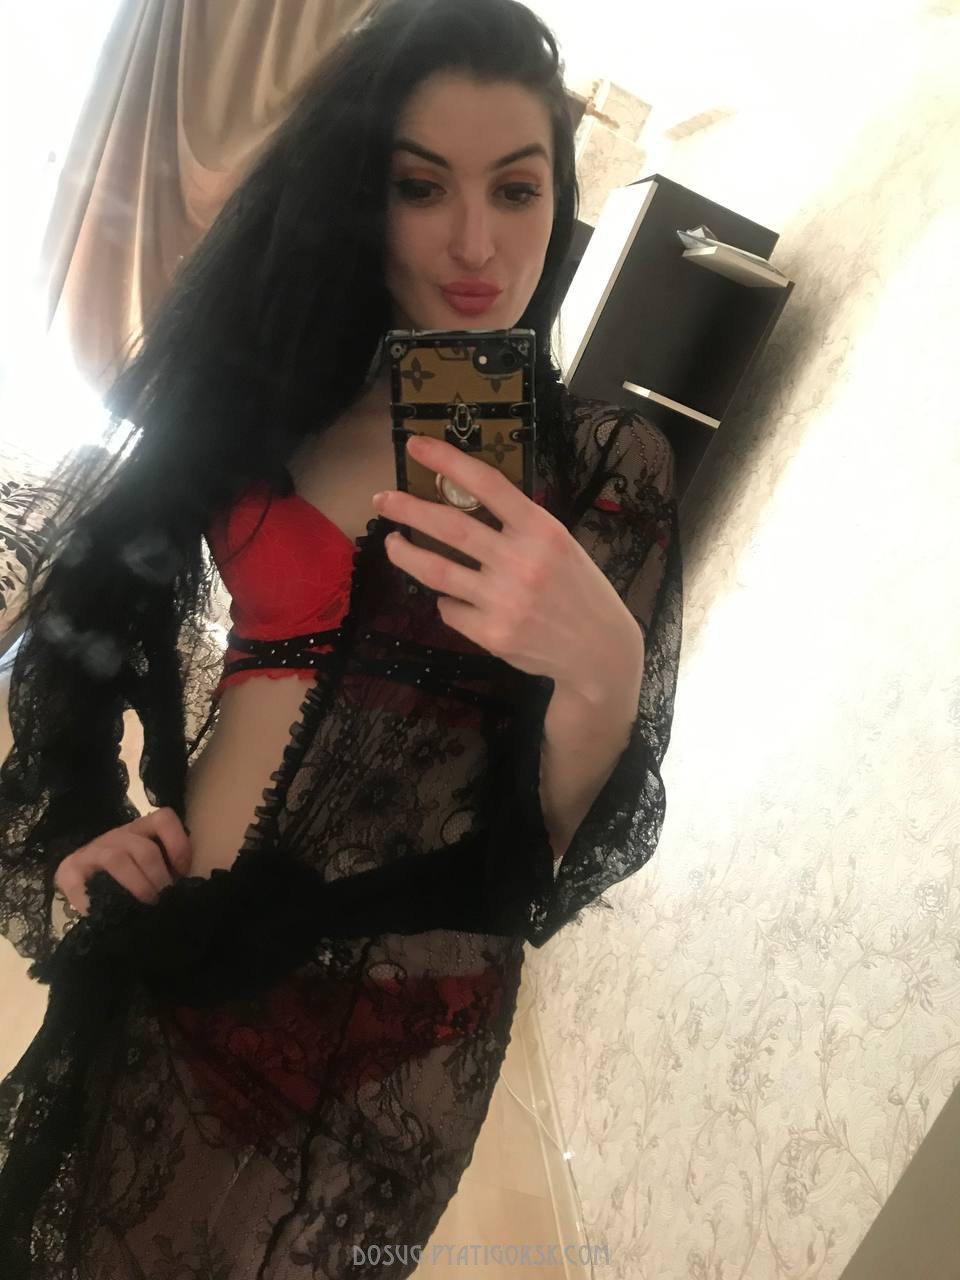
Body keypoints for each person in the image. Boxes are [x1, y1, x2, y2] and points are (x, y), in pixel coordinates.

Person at [0, 0, 683, 1275]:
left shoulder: (601, 463)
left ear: (560, 199)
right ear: (360, 194)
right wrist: (88, 810)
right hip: (180, 936)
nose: (475, 241)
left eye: (517, 188)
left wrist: (604, 664)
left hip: (394, 1013)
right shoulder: (270, 402)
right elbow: (84, 606)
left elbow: (546, 841)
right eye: (422, 187)